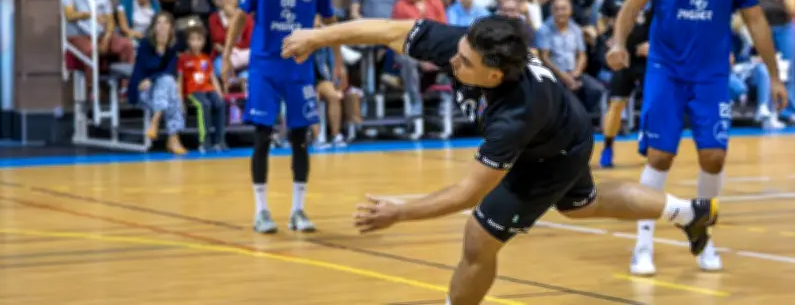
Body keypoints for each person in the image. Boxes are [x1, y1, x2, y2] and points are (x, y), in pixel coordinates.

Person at [282, 15, 718, 305]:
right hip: (564, 126)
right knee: (581, 205)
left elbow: (468, 192)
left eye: (464, 62)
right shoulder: (473, 46)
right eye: (459, 50)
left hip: (553, 152)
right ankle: (688, 213)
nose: (453, 60)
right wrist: (318, 37)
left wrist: (401, 211)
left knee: (478, 236)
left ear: (493, 75)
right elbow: (388, 31)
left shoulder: (513, 113)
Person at [607, 0, 788, 276]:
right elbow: (633, 4)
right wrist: (618, 41)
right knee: (660, 156)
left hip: (710, 75)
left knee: (714, 156)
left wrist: (775, 75)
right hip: (666, 71)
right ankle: (643, 244)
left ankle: (703, 235)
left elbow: (755, 20)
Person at [222, 0, 343, 234]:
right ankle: (261, 211)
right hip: (264, 67)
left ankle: (298, 210)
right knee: (262, 137)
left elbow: (331, 22)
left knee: (300, 138)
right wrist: (226, 56)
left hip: (299, 66)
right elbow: (239, 17)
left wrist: (338, 60)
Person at [598, 0, 650, 168]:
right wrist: (608, 40)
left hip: (648, 58)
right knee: (616, 104)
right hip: (623, 58)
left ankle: (648, 139)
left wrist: (652, 45)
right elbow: (601, 22)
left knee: (653, 103)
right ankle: (608, 147)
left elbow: (663, 26)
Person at [128, 12, 187, 155]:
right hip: (144, 90)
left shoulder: (174, 46)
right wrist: (160, 47)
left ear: (171, 27)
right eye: (158, 23)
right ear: (153, 27)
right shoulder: (145, 44)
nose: (161, 26)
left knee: (168, 83)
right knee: (170, 87)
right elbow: (147, 66)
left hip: (161, 91)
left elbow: (171, 70)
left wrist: (153, 78)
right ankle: (173, 139)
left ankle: (155, 121)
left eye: (165, 23)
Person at [178, 26, 227, 151]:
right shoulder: (183, 58)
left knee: (220, 103)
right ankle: (204, 141)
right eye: (192, 40)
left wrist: (219, 92)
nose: (195, 43)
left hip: (208, 89)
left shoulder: (206, 58)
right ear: (188, 41)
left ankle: (219, 140)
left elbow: (212, 78)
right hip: (192, 92)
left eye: (198, 39)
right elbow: (180, 79)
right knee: (203, 105)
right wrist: (180, 99)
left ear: (204, 41)